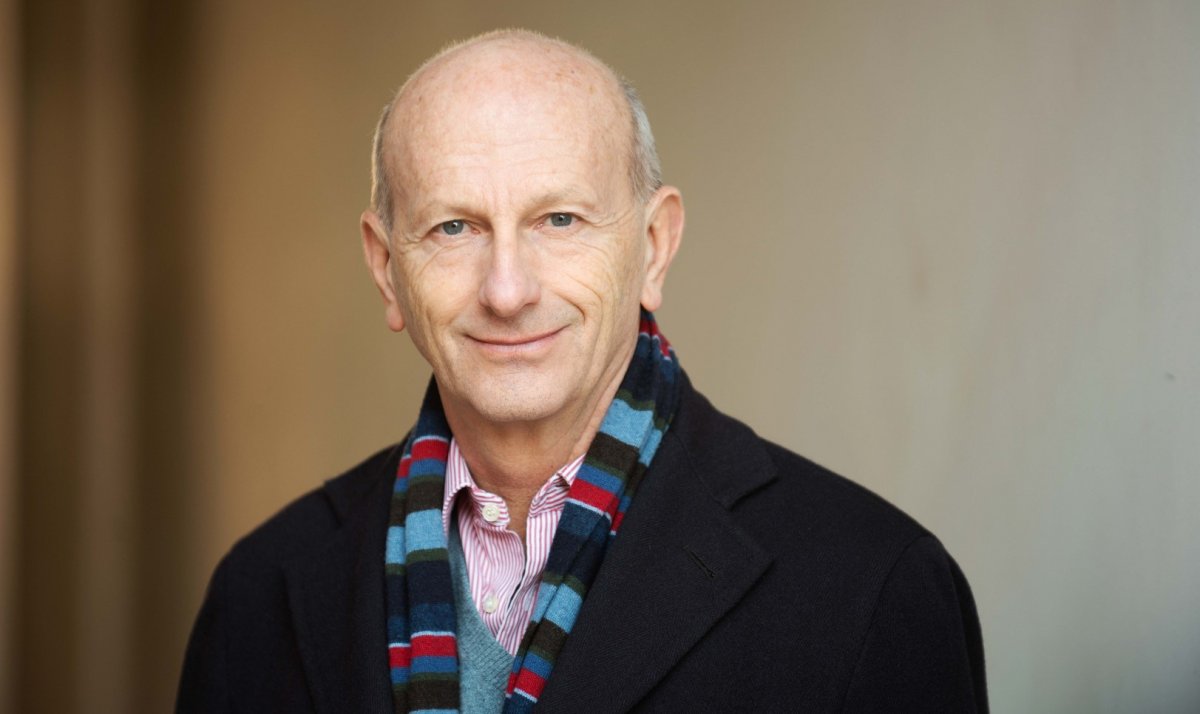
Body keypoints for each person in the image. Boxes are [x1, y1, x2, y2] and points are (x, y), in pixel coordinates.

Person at [177, 29, 988, 713]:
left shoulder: (871, 586)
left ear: (654, 247)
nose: (507, 290)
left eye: (559, 219)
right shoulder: (261, 593)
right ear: (387, 270)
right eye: (454, 228)